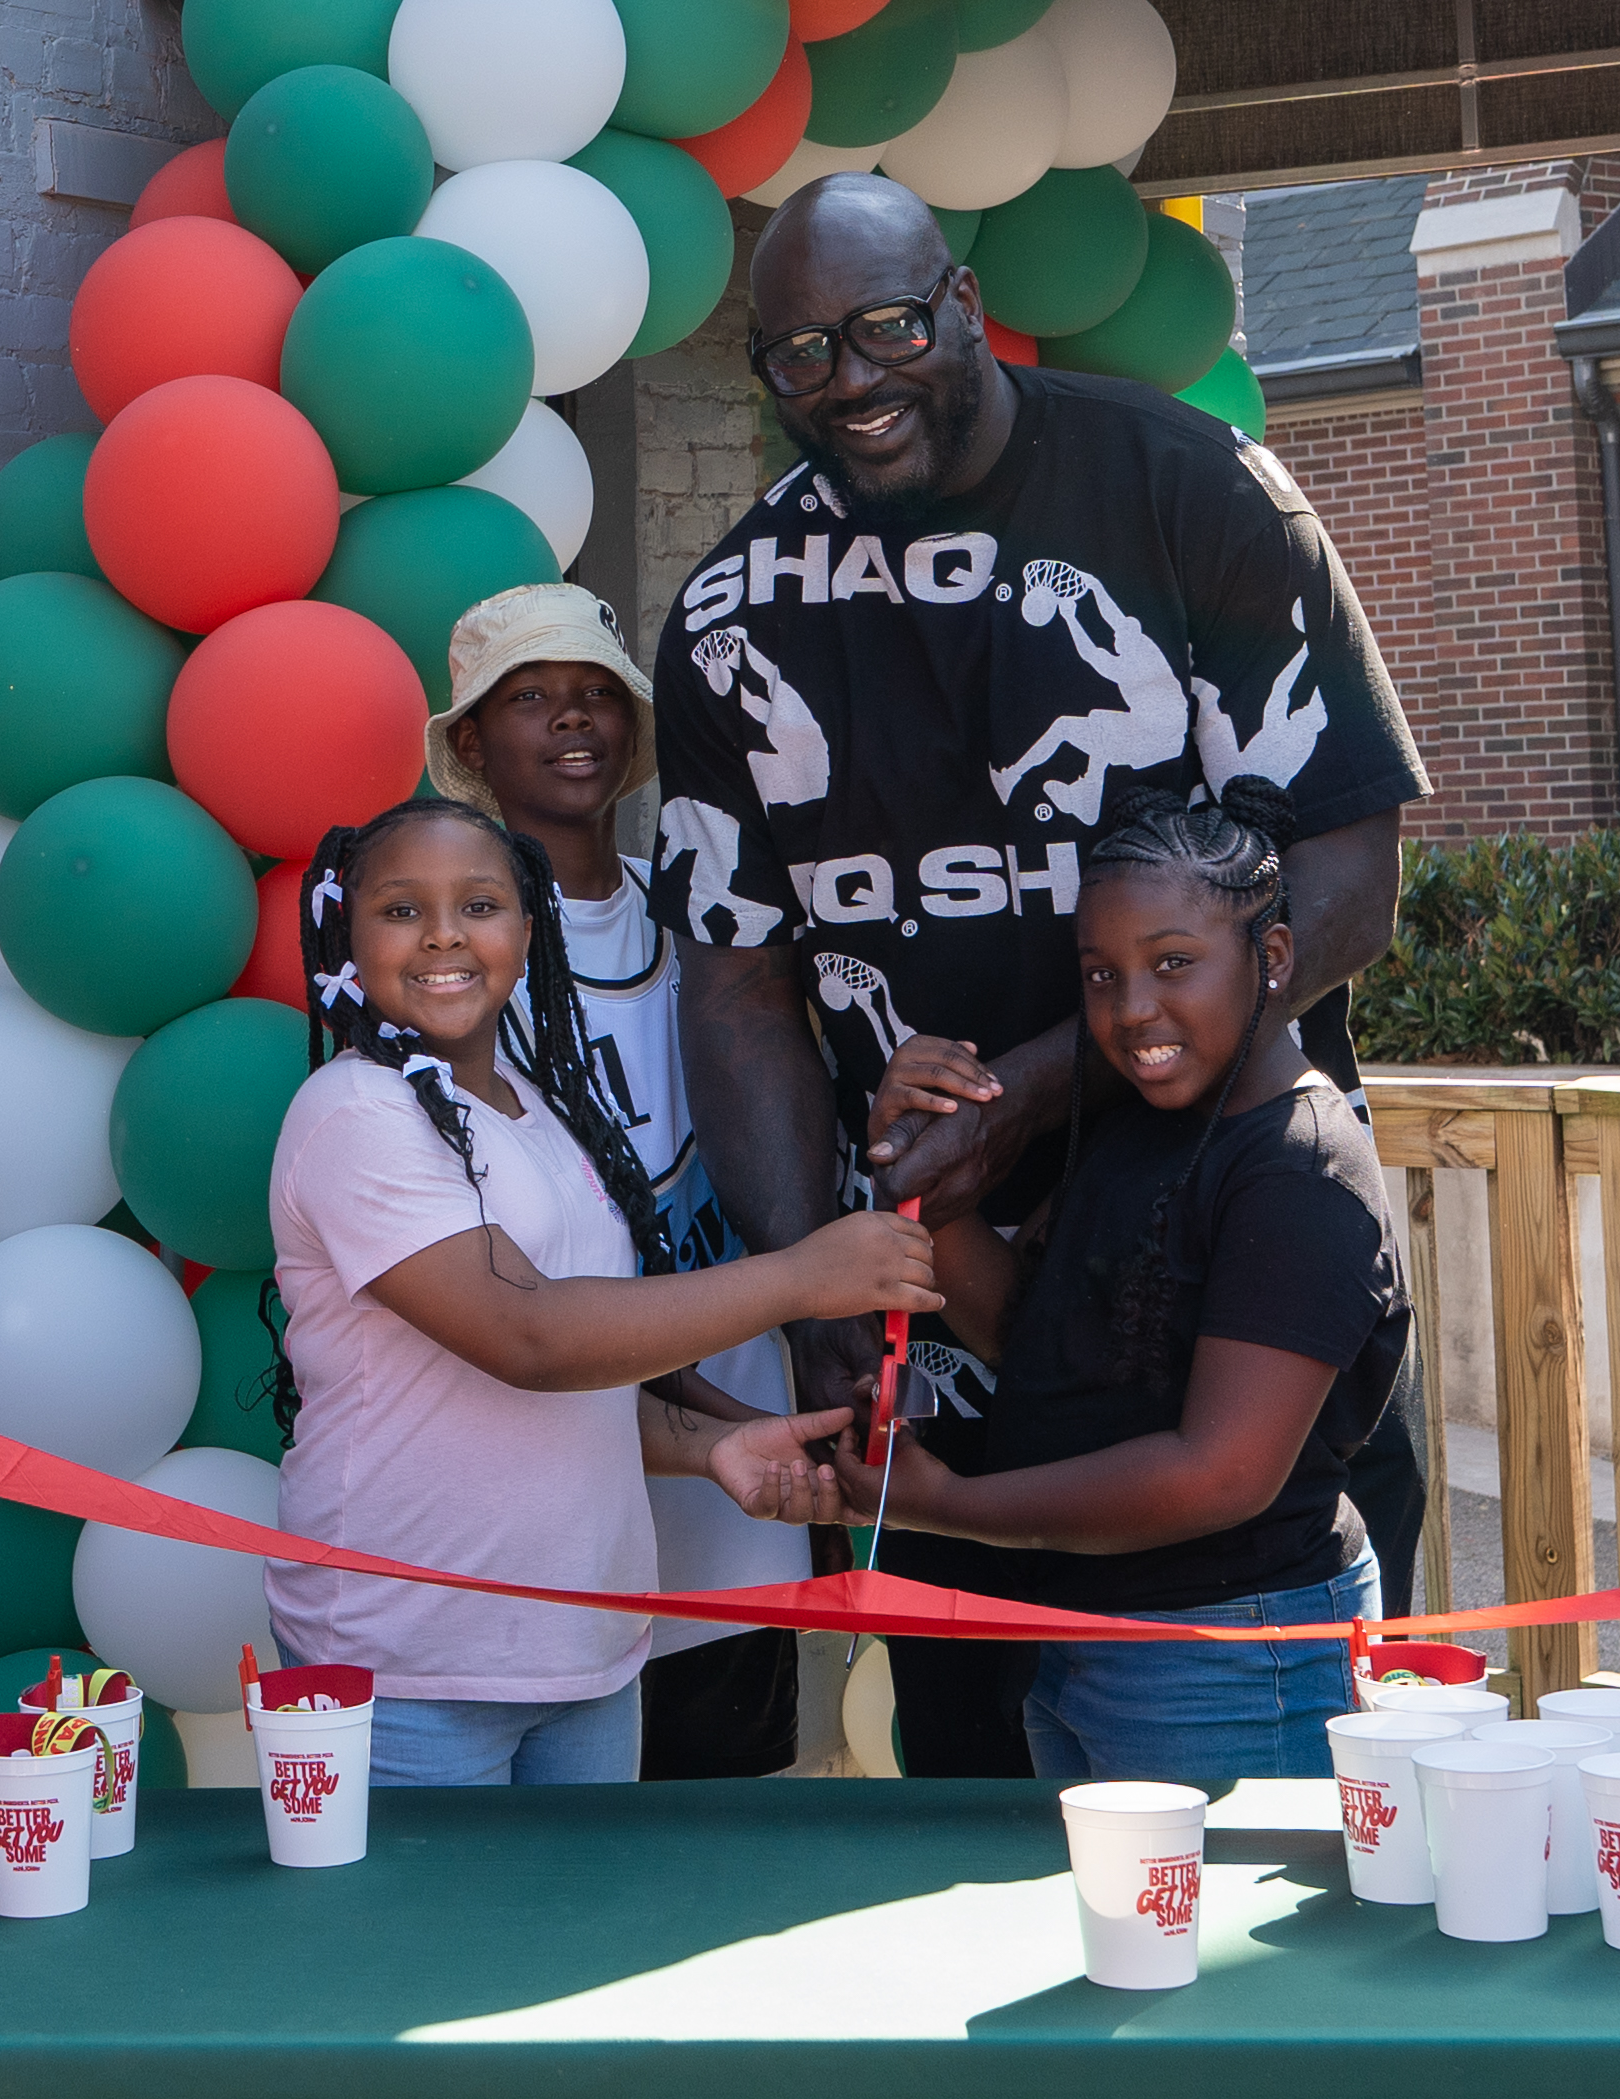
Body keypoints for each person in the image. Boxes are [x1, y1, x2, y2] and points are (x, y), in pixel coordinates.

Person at [653, 172, 1433, 1774]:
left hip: (1235, 1307)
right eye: (800, 354)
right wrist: (813, 1284)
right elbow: (736, 987)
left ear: (959, 300)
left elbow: (1349, 883)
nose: (852, 381)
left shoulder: (1191, 493)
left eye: (883, 328)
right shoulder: (735, 613)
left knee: (1286, 1840)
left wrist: (1029, 1095)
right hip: (937, 1344)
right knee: (969, 1819)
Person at [259, 795, 938, 1786]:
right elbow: (529, 1336)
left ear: (528, 930)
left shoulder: (536, 1105)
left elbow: (581, 1378)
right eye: (402, 910)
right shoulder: (355, 1111)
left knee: (575, 1944)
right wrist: (801, 1273)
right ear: (346, 940)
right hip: (406, 1661)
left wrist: (715, 1447)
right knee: (417, 1949)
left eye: (479, 904)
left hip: (584, 1648)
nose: (444, 933)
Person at [779, 783, 1406, 1786]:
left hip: (1231, 1654)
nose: (1131, 1008)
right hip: (1085, 1636)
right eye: (1100, 975)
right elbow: (1031, 1331)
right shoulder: (1143, 1125)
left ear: (1274, 958)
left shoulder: (1298, 1168)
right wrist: (921, 1182)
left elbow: (1220, 1471)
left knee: (1213, 1939)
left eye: (1171, 964)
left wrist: (950, 1505)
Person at [425, 582, 815, 1780]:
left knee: (723, 1810)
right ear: (473, 743)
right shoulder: (457, 948)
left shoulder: (703, 903)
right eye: (530, 697)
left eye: (598, 693)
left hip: (745, 1464)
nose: (572, 719)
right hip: (578, 1461)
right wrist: (728, 1421)